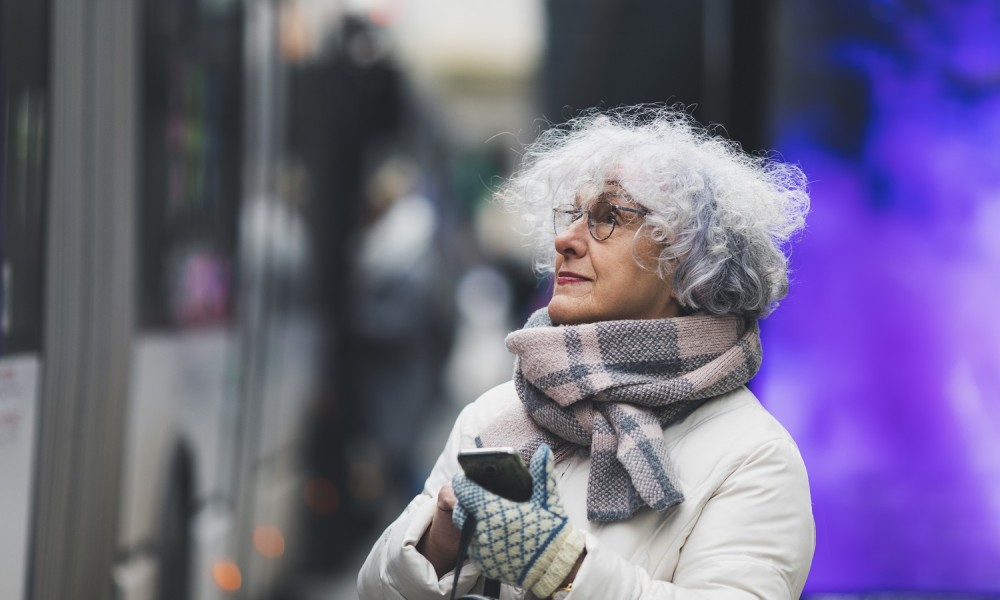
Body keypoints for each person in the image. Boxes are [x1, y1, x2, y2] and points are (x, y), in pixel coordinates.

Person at [357, 105, 814, 599]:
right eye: (572, 214)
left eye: (608, 217)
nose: (565, 239)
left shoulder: (754, 456)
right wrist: (438, 540)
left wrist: (562, 566)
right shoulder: (492, 417)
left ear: (688, 260)